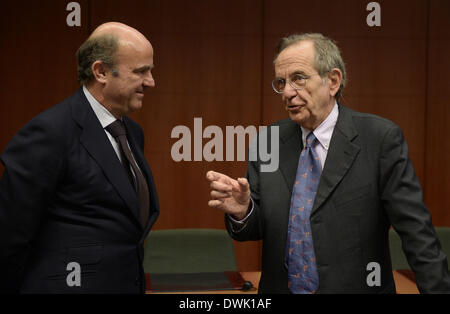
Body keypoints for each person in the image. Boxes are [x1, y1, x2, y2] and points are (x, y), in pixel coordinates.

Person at [207, 33, 450, 293]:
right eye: (281, 82)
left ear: (332, 81)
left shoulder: (379, 139)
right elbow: (255, 229)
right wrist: (243, 211)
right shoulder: (268, 141)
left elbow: (417, 235)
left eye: (298, 78)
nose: (287, 92)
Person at [0, 22, 160, 293]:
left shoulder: (132, 132)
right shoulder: (49, 133)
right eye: (141, 71)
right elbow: (9, 236)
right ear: (101, 72)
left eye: (151, 71)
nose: (151, 81)